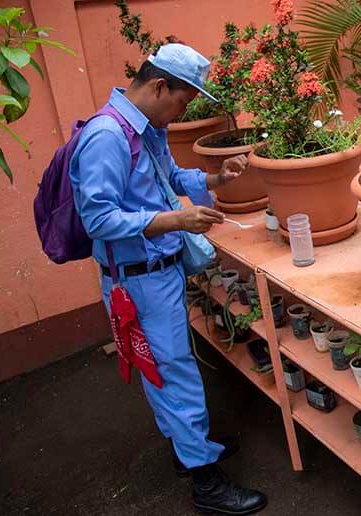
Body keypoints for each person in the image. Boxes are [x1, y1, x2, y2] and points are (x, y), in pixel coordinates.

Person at [69, 43, 267, 515]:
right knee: (174, 373)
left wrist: (215, 180)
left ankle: (189, 449)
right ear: (160, 86)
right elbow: (97, 219)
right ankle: (207, 485)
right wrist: (174, 222)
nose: (183, 112)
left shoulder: (144, 127)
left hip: (156, 272)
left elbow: (167, 177)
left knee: (162, 370)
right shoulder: (107, 137)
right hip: (138, 280)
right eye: (183, 102)